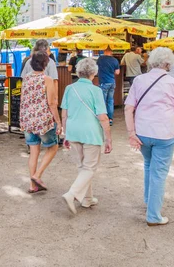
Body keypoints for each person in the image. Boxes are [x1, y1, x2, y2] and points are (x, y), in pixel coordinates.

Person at [124, 47, 174, 226]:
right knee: (158, 172)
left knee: (149, 165)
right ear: (168, 63)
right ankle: (153, 215)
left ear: (151, 61)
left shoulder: (139, 80)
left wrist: (131, 133)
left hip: (142, 131)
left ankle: (148, 200)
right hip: (165, 133)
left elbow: (129, 108)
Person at [61, 58, 112, 214]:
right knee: (89, 168)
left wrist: (65, 133)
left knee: (82, 167)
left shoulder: (69, 88)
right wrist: (108, 137)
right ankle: (72, 194)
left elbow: (64, 113)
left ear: (78, 71)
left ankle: (87, 199)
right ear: (94, 73)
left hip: (73, 130)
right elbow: (102, 116)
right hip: (91, 132)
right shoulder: (96, 90)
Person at [19, 51, 62, 193]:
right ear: (45, 64)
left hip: (28, 120)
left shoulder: (26, 78)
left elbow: (24, 99)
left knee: (33, 151)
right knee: (53, 147)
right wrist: (58, 121)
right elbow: (51, 102)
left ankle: (32, 186)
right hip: (43, 120)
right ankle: (37, 176)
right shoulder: (47, 79)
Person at [96, 48, 120, 125]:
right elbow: (117, 72)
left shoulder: (100, 59)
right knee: (110, 101)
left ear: (105, 51)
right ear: (111, 51)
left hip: (103, 82)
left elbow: (96, 68)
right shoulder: (115, 60)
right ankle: (110, 119)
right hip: (112, 82)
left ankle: (103, 118)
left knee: (102, 101)